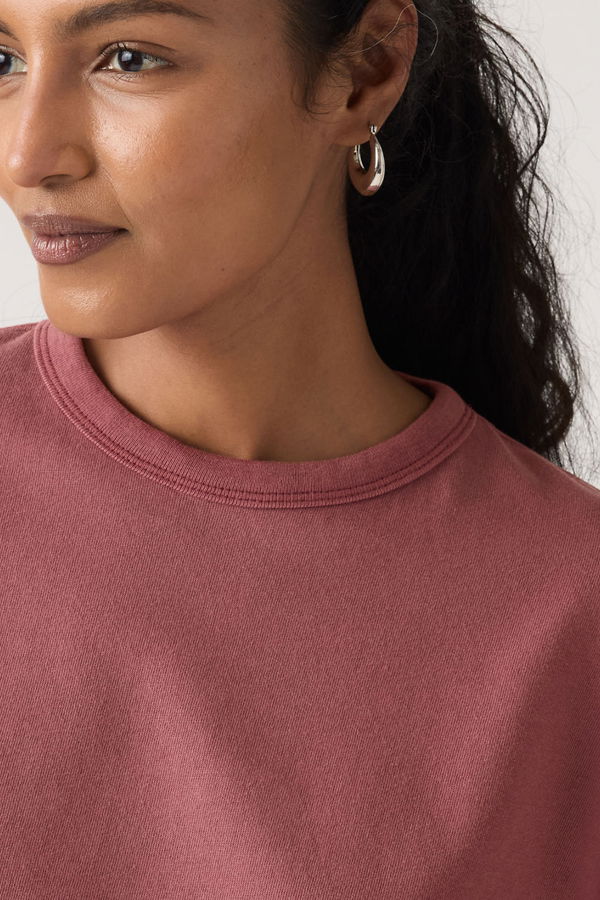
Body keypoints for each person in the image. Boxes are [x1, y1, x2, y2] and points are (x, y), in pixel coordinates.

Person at [0, 1, 598, 897]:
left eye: (129, 58)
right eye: (2, 59)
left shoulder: (572, 610)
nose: (27, 156)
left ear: (364, 72)